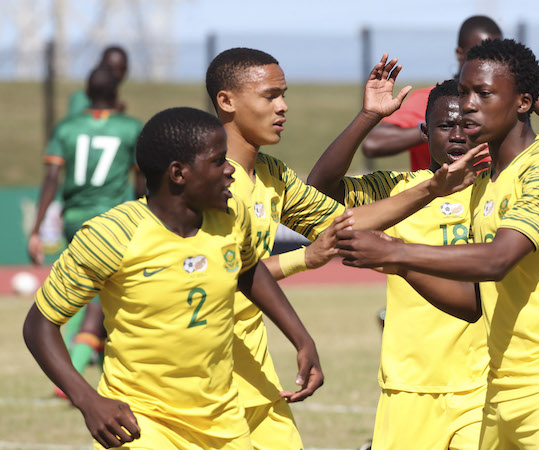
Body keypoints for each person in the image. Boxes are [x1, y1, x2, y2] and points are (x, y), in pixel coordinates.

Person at [336, 38, 539, 449]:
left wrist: (394, 251)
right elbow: (473, 303)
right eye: (465, 92)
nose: (467, 104)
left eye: (483, 94)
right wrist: (399, 266)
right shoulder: (483, 183)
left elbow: (499, 258)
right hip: (499, 394)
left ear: (524, 102)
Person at [205, 47, 488, 449]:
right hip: (199, 374)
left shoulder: (273, 176)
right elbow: (222, 274)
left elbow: (339, 224)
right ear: (227, 101)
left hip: (255, 377)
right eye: (271, 96)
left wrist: (431, 187)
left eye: (283, 94)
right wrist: (306, 260)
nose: (283, 107)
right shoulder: (203, 183)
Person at [23, 106, 344, 449]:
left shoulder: (231, 220)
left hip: (223, 421)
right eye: (218, 161)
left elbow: (249, 271)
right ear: (178, 173)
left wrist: (301, 338)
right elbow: (39, 325)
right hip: (142, 422)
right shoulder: (112, 235)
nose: (229, 172)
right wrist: (87, 401)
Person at [28, 65, 145, 398]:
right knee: (100, 300)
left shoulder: (67, 127)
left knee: (85, 293)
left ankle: (98, 365)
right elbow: (139, 180)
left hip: (73, 217)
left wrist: (36, 229)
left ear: (86, 93)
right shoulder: (130, 128)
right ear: (117, 94)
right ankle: (71, 377)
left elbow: (51, 179)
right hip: (111, 220)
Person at [361, 15, 502, 171]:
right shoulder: (433, 101)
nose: (485, 63)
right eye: (478, 54)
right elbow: (372, 144)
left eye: (495, 56)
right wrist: (438, 124)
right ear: (459, 53)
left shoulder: (502, 103)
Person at [67, 46, 128, 117]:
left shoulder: (118, 101)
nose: (116, 74)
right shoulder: (81, 99)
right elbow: (75, 124)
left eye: (122, 69)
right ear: (100, 65)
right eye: (110, 68)